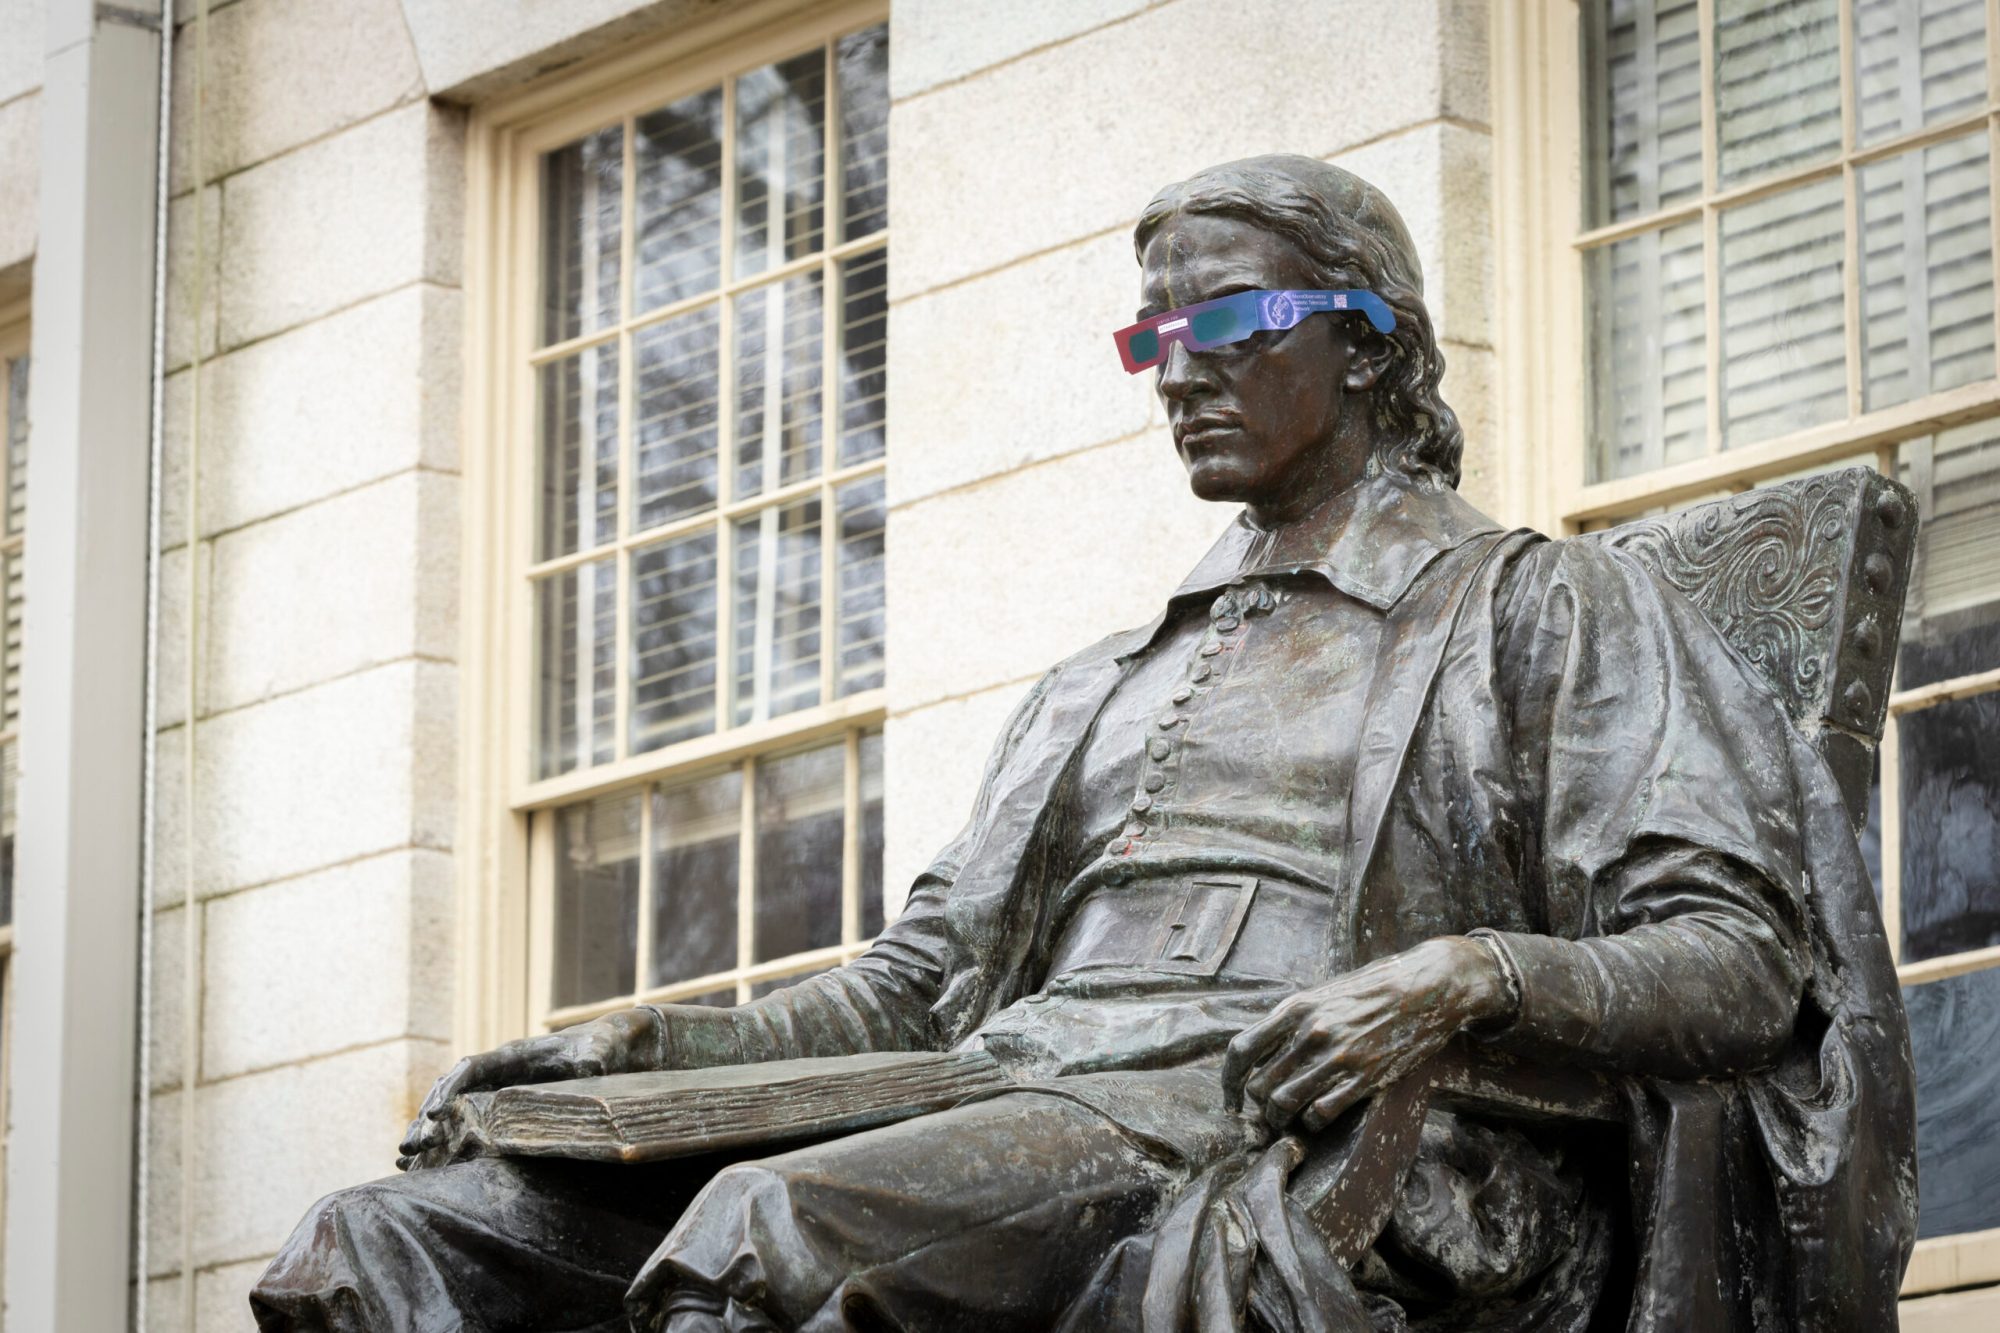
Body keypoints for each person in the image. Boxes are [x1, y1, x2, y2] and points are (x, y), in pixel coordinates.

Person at [253, 156, 1916, 1333]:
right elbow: (912, 986)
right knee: (396, 1241)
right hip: (996, 1086)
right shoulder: (1093, 685)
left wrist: (1461, 973)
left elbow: (1742, 962)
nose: (1178, 373)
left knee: (770, 1241)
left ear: (1368, 339)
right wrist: (643, 1051)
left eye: (1232, 322)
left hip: (1253, 1107)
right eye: (1154, 338)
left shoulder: (1543, 609)